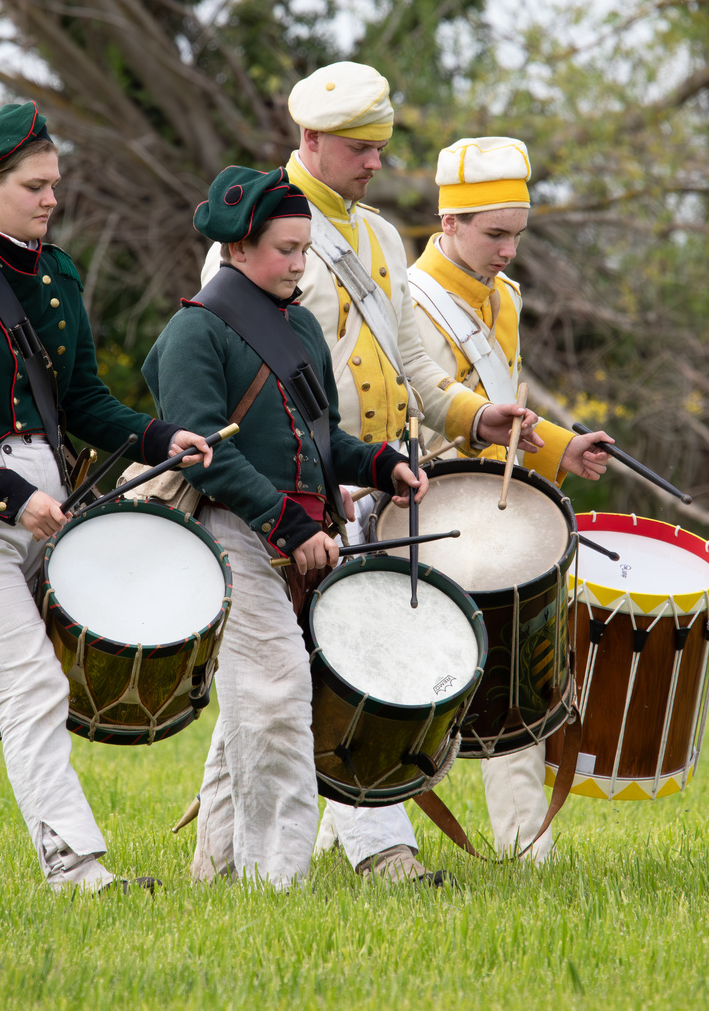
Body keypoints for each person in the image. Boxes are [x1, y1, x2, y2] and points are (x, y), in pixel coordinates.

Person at [199, 62, 541, 882]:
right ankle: (379, 851)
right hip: (292, 490)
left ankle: (219, 863)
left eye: (381, 147)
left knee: (302, 675)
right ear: (310, 141)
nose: (376, 163)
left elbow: (413, 362)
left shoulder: (382, 237)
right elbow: (224, 370)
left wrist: (470, 416)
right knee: (300, 674)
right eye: (359, 148)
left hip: (372, 482)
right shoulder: (248, 236)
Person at [0, 101, 212, 893]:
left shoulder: (58, 276)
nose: (50, 199)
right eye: (33, 185)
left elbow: (88, 403)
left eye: (54, 183)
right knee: (31, 680)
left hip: (39, 514)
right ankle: (74, 870)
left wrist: (164, 439)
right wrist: (8, 497)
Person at [147, 165, 428, 888]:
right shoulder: (194, 332)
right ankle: (279, 881)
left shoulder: (299, 322)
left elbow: (320, 436)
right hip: (235, 530)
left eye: (305, 248)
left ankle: (217, 870)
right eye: (285, 249)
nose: (300, 263)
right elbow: (204, 454)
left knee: (255, 699)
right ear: (238, 249)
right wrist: (288, 523)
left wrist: (380, 461)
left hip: (298, 535)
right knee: (275, 696)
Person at [406, 135, 613, 861]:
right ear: (450, 223)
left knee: (517, 685)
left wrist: (561, 446)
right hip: (425, 510)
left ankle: (528, 849)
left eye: (518, 235)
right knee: (406, 686)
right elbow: (436, 408)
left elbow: (501, 405)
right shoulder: (412, 301)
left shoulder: (506, 299)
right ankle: (363, 834)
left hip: (493, 514)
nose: (508, 251)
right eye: (495, 234)